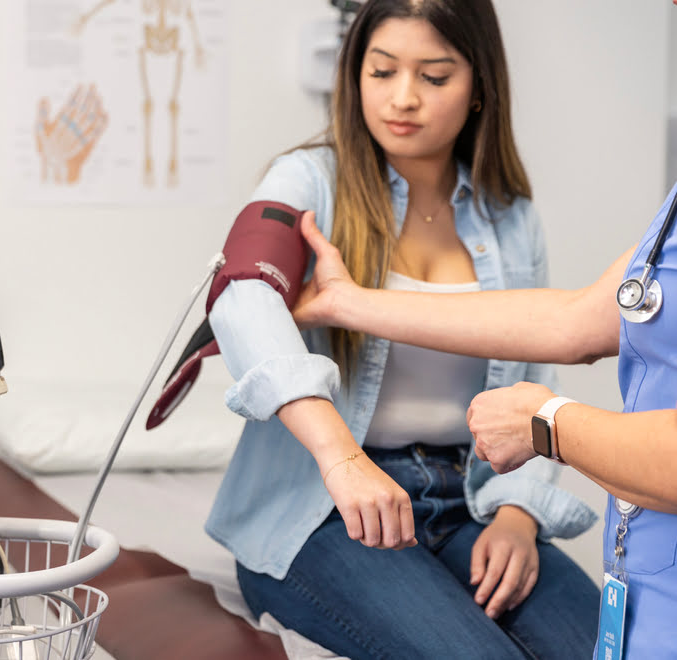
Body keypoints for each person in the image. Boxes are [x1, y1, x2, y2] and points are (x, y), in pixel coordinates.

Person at [205, 0, 599, 657]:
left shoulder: (511, 217)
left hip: (469, 496)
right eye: (382, 71)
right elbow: (241, 294)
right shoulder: (308, 181)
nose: (404, 98)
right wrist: (342, 459)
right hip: (325, 506)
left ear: (479, 88)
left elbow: (535, 372)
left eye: (435, 77)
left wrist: (518, 515)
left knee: (616, 648)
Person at [295, 167, 677, 658]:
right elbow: (572, 321)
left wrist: (546, 425)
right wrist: (347, 303)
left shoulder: (510, 214)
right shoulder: (308, 180)